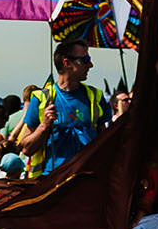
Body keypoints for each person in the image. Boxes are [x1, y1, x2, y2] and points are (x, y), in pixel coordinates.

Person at [18, 37, 109, 178]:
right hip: (51, 182)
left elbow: (106, 142)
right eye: (84, 60)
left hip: (87, 180)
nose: (90, 65)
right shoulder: (41, 98)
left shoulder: (95, 96)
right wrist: (44, 126)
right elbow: (26, 148)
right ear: (67, 63)